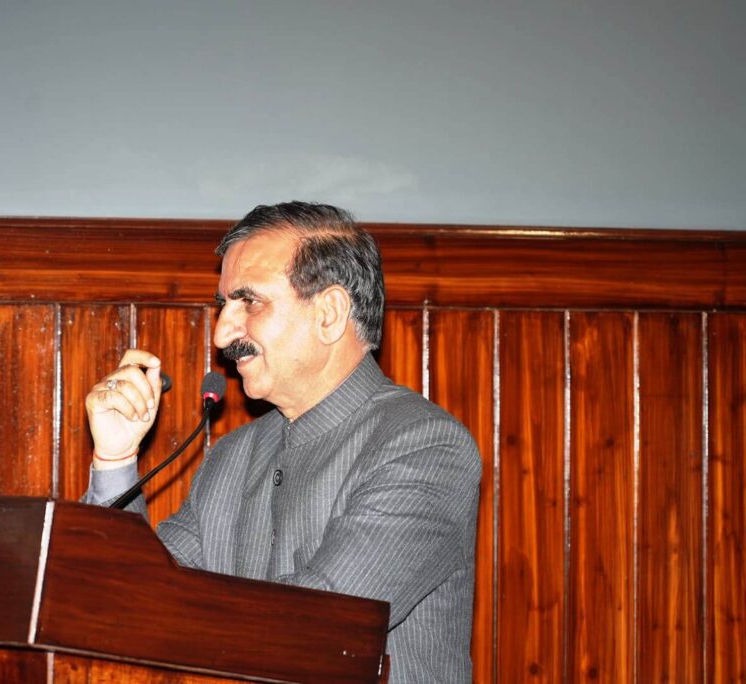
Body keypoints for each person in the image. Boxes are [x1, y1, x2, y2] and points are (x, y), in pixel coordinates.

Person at [83, 201, 482, 682]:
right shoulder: (230, 457)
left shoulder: (426, 447)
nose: (222, 333)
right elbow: (134, 603)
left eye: (249, 302)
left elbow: (319, 629)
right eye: (223, 305)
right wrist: (116, 459)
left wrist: (182, 615)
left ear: (329, 313)